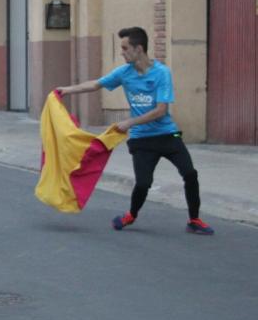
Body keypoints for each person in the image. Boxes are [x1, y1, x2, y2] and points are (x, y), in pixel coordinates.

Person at [57, 27, 214, 235]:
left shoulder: (162, 73)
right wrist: (66, 90)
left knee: (190, 174)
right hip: (142, 140)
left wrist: (130, 122)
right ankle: (131, 215)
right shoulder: (124, 73)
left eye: (125, 47)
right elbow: (96, 84)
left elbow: (161, 110)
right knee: (143, 183)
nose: (122, 52)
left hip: (168, 135)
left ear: (138, 49)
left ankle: (194, 220)